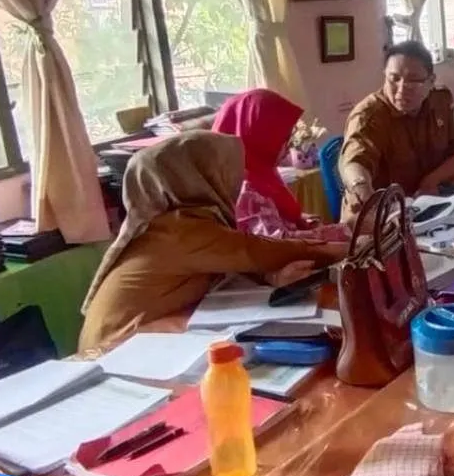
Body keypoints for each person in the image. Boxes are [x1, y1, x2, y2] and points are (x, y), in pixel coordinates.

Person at [79, 132, 346, 351]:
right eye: (227, 170)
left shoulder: (180, 224)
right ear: (198, 177)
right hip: (113, 352)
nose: (239, 178)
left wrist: (272, 279)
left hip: (149, 339)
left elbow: (238, 262)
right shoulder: (178, 231)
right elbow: (269, 252)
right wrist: (359, 247)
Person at [339, 40, 454, 221]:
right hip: (382, 215)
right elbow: (354, 161)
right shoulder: (369, 116)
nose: (402, 89)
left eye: (413, 81)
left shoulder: (440, 102)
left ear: (431, 81)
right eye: (394, 79)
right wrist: (360, 186)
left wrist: (432, 180)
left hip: (428, 205)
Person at [211, 88, 349, 242]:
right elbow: (277, 243)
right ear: (259, 138)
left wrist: (307, 221)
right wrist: (342, 231)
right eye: (282, 139)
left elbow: (278, 217)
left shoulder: (262, 173)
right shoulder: (247, 189)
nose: (288, 146)